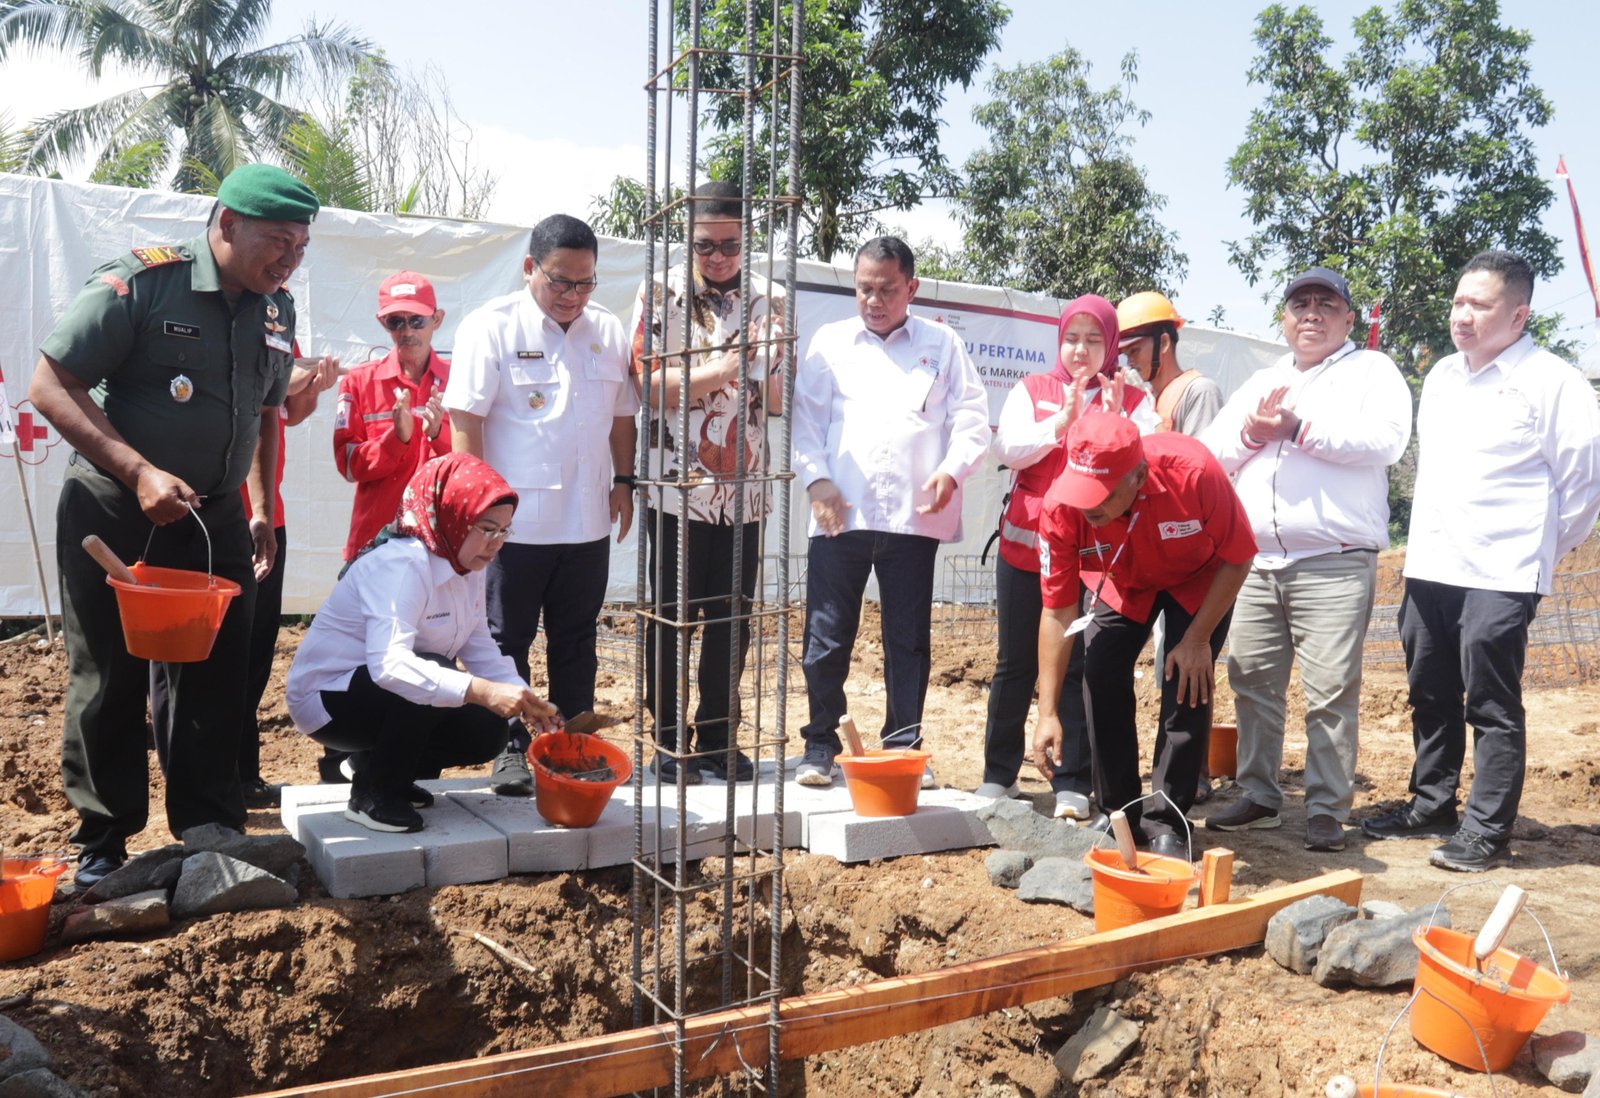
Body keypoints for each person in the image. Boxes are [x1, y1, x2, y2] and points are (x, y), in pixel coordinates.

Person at [27, 163, 319, 891]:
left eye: (300, 246)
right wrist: (137, 472)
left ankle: (207, 819)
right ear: (225, 223)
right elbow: (48, 384)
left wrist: (258, 506)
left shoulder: (276, 310)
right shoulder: (142, 284)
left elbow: (266, 414)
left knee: (218, 669)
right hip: (117, 509)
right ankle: (104, 837)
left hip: (215, 515)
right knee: (110, 672)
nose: (288, 259)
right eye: (276, 241)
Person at [1362, 250, 1600, 871]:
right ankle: (1431, 804)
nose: (1462, 316)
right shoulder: (1442, 376)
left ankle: (1487, 831)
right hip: (1432, 565)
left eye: (1480, 305)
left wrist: (1537, 556)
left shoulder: (1554, 382)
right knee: (1429, 692)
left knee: (1490, 703)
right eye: (1458, 302)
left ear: (1518, 314)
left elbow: (1581, 488)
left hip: (1501, 572)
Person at [1201, 266, 1412, 852]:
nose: (1311, 313)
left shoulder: (1372, 370)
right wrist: (1252, 434)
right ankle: (1262, 795)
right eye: (1299, 304)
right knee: (1251, 680)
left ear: (1349, 317)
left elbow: (1385, 440)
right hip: (1256, 563)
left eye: (1326, 303)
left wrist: (1297, 429)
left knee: (1330, 690)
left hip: (1334, 560)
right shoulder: (1261, 380)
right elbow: (1212, 456)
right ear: (1284, 319)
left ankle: (1325, 808)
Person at [443, 214, 638, 795]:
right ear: (530, 268)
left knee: (577, 640)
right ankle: (510, 750)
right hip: (513, 528)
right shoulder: (493, 326)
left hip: (585, 524)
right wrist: (478, 514)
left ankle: (573, 744)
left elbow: (623, 415)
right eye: (561, 282)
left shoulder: (605, 328)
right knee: (506, 641)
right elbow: (465, 421)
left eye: (586, 283)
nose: (574, 297)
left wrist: (623, 481)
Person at [791, 236, 990, 787]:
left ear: (912, 288)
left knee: (908, 639)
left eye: (886, 289)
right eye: (864, 289)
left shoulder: (942, 344)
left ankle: (903, 745)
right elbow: (805, 422)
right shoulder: (830, 342)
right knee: (826, 638)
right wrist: (818, 479)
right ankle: (819, 746)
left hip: (911, 520)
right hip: (840, 516)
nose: (874, 300)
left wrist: (951, 471)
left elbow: (972, 420)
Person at [284, 454, 562, 832]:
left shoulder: (467, 565)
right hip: (329, 699)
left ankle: (379, 771)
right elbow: (391, 665)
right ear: (452, 516)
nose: (496, 543)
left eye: (504, 531)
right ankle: (374, 795)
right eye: (486, 528)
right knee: (439, 673)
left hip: (381, 696)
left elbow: (480, 647)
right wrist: (479, 689)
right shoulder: (402, 564)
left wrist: (527, 703)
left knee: (489, 729)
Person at [1032, 407, 1256, 856]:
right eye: (1082, 491)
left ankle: (1169, 820)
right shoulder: (1061, 507)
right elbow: (1057, 611)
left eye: (1102, 494)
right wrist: (1047, 711)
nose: (1089, 505)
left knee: (1187, 683)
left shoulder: (1193, 472)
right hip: (1121, 580)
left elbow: (1239, 554)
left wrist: (1196, 640)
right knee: (1100, 672)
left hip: (1198, 580)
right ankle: (1120, 814)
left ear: (1138, 475)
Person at [628, 181, 786, 784]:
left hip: (746, 490)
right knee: (672, 614)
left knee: (731, 618)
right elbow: (646, 384)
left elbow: (773, 402)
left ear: (747, 238)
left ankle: (718, 735)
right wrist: (719, 369)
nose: (718, 258)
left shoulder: (770, 299)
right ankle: (669, 742)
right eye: (705, 246)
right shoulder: (660, 290)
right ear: (687, 240)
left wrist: (769, 362)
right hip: (675, 487)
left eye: (730, 245)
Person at [981, 294, 1145, 819]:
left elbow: (1152, 453)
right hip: (1027, 549)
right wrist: (1061, 425)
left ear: (1111, 343)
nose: (1081, 350)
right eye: (1072, 338)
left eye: (1094, 339)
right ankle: (998, 773)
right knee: (1015, 663)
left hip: (1095, 557)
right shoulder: (1034, 389)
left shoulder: (1131, 397)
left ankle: (1072, 780)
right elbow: (1007, 448)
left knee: (1078, 664)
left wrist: (1116, 422)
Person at [333, 271, 452, 562]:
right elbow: (348, 466)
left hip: (443, 542)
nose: (407, 331)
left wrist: (439, 435)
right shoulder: (357, 381)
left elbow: (476, 461)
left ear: (436, 319)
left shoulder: (461, 379)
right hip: (375, 544)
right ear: (382, 323)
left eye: (416, 320)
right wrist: (395, 440)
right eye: (395, 322)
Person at [1116, 291, 1222, 436]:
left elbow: (1197, 457)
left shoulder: (1200, 392)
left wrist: (1146, 412)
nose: (1130, 362)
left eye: (1134, 351)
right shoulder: (1149, 397)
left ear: (1163, 343)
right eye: (1126, 354)